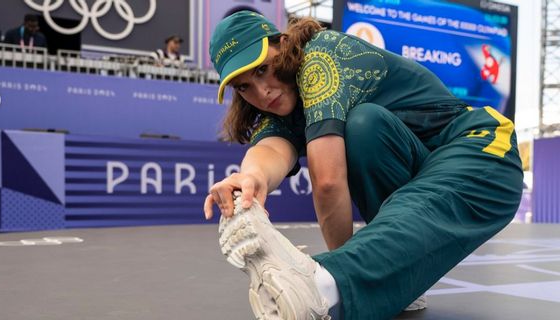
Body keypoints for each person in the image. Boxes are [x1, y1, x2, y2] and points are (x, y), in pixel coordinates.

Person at [204, 11, 523, 320]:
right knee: (365, 127)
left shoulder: (321, 55)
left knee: (362, 125)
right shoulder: (282, 107)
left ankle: (324, 284)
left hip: (479, 147)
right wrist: (251, 177)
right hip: (420, 169)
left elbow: (328, 182)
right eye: (244, 86)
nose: (262, 91)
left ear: (283, 43)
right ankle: (388, 281)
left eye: (262, 69)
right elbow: (272, 148)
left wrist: (333, 276)